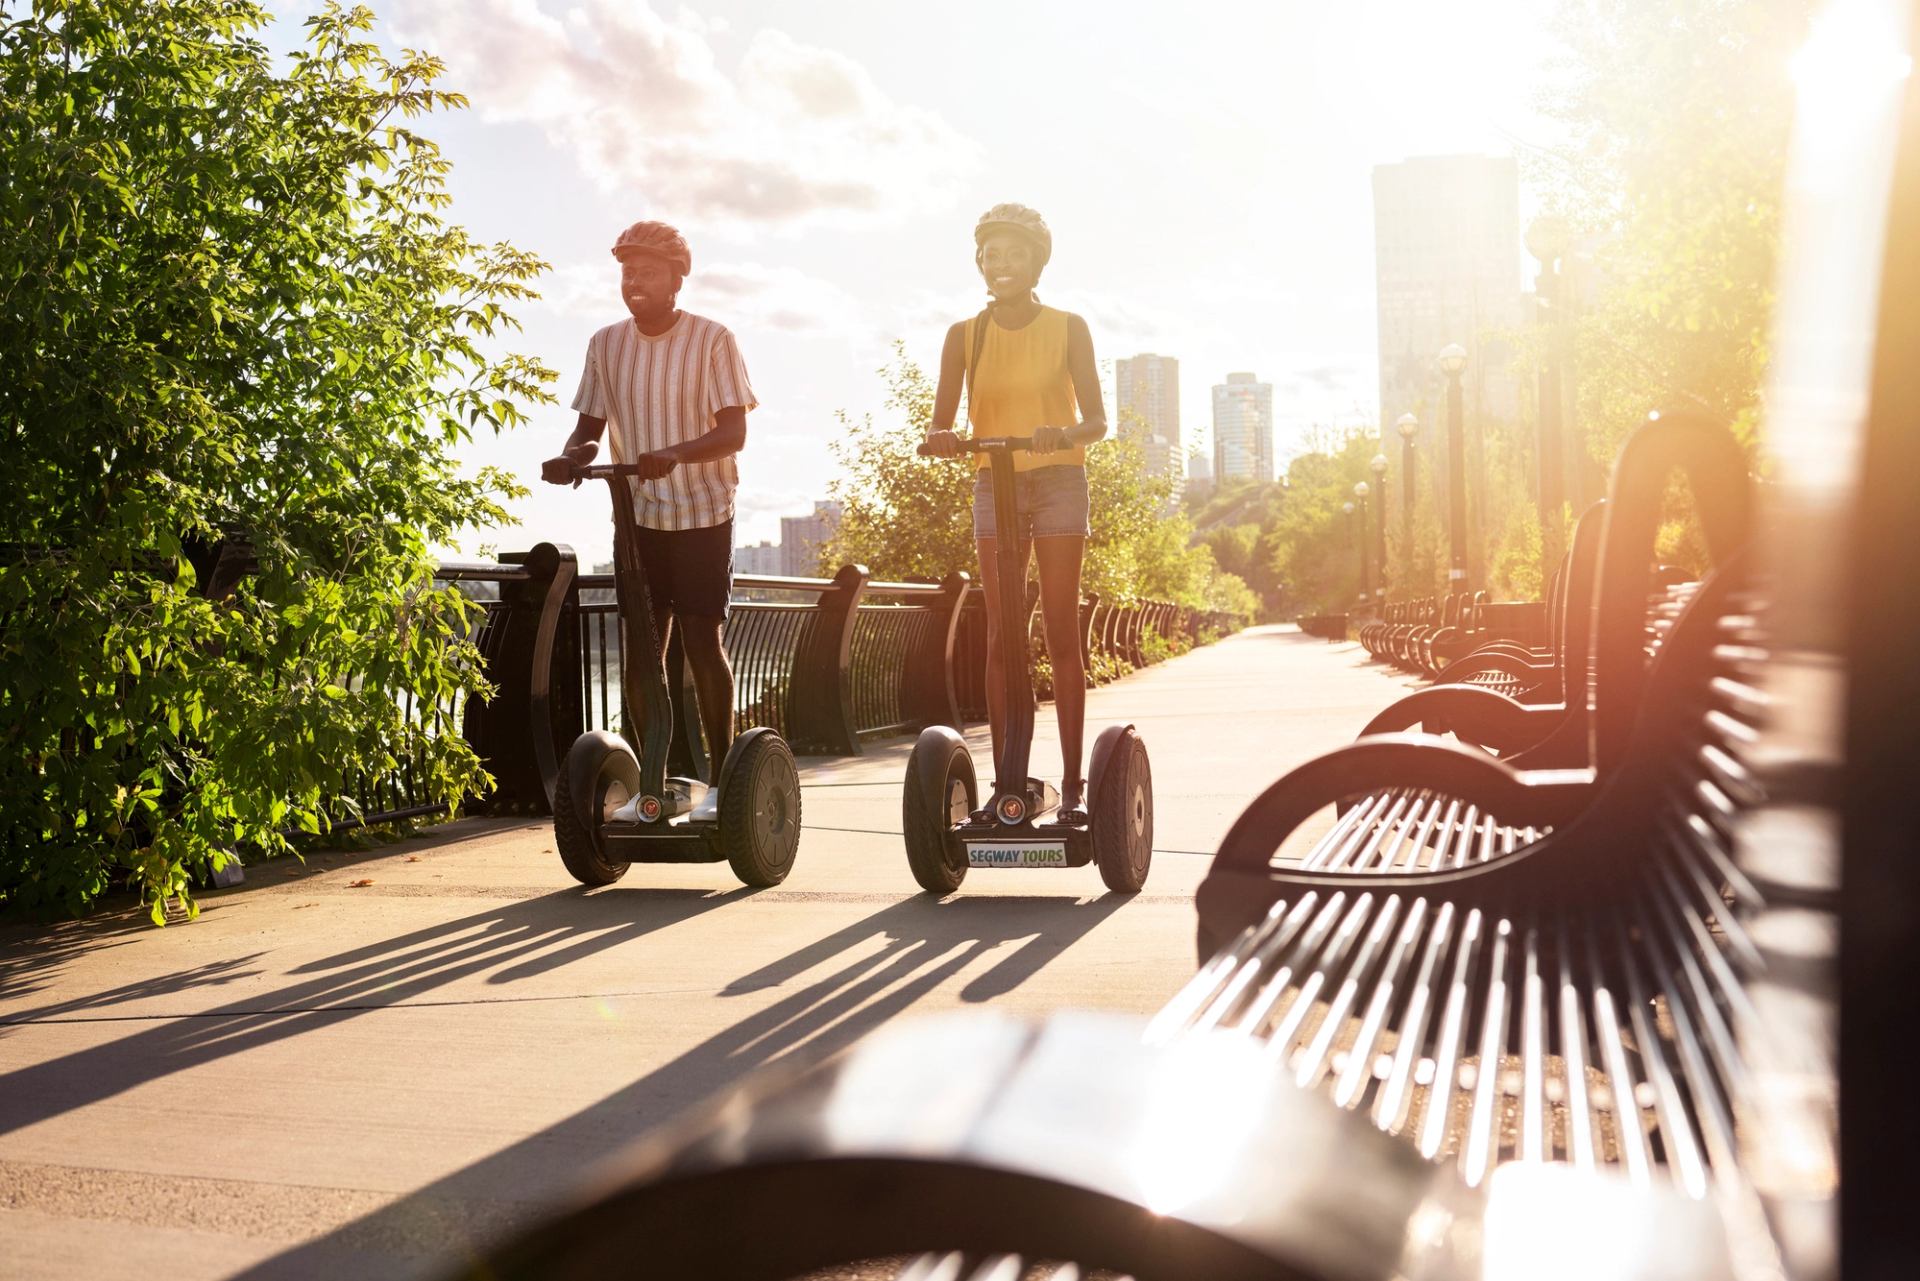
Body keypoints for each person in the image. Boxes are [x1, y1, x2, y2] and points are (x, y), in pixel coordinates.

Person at [541, 220, 755, 820]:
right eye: (628, 271)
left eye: (649, 272)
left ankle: (720, 781)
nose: (636, 282)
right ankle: (651, 784)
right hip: (637, 516)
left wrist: (676, 455)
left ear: (676, 279)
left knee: (700, 639)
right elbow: (589, 428)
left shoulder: (713, 339)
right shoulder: (606, 344)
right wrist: (572, 458)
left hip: (704, 509)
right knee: (642, 649)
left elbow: (733, 432)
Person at [923, 203, 1106, 815]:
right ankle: (1008, 784)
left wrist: (1065, 431)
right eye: (990, 254)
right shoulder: (963, 336)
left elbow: (1098, 422)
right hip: (993, 481)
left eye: (1013, 253)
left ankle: (1075, 787)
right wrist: (942, 436)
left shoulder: (1068, 327)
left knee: (1058, 628)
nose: (1000, 264)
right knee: (1002, 631)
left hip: (1057, 478)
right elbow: (940, 422)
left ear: (1036, 261)